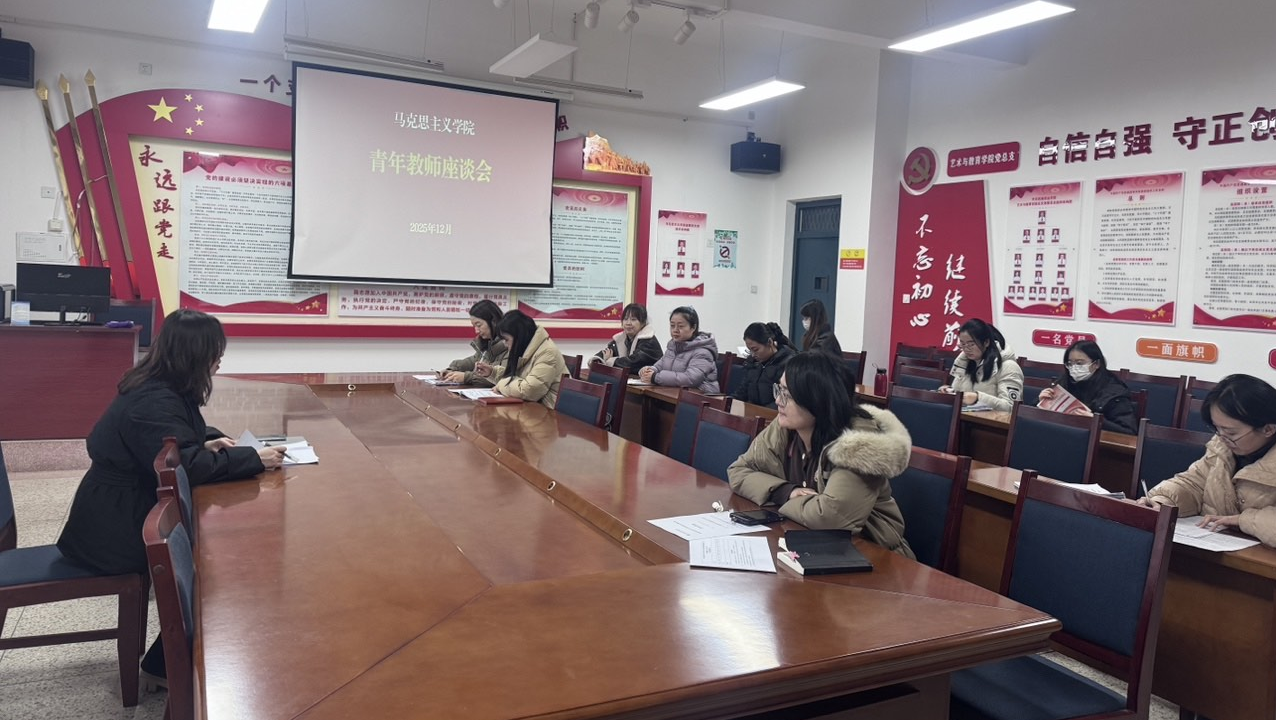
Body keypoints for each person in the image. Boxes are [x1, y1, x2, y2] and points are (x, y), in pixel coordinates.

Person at [56, 309, 286, 684]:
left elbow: (175, 440)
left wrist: (209, 440)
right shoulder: (152, 400)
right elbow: (184, 466)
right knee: (218, 569)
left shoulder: (160, 387)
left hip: (123, 510)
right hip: (113, 530)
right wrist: (252, 459)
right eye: (214, 352)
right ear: (193, 355)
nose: (219, 360)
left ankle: (172, 660)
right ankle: (169, 666)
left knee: (218, 560)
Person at [727, 352, 914, 558]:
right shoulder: (785, 427)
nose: (778, 400)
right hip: (815, 546)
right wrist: (786, 492)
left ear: (817, 400)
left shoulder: (859, 444)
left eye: (788, 394)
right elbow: (738, 471)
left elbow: (829, 517)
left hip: (876, 556)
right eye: (779, 389)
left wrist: (774, 498)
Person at [1140, 374, 1275, 548]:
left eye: (1231, 433)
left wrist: (1244, 521)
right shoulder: (1222, 447)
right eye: (1217, 429)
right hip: (1215, 549)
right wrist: (1162, 502)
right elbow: (1194, 483)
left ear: (1268, 429)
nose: (1222, 438)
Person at [1037, 340, 1138, 434]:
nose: (1074, 368)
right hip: (1061, 434)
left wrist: (1095, 421)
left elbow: (1128, 431)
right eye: (1070, 363)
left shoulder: (1114, 392)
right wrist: (1041, 402)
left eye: (1079, 363)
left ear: (1096, 364)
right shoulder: (1064, 381)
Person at [483, 309, 567, 408]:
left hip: (550, 411)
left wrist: (501, 385)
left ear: (519, 336)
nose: (505, 344)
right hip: (533, 407)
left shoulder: (547, 352)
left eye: (506, 339)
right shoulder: (527, 347)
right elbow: (518, 378)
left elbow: (530, 391)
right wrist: (493, 372)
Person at [938, 318, 1023, 412]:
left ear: (986, 342)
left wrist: (978, 398)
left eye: (971, 344)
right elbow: (959, 393)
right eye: (962, 344)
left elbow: (1012, 408)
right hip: (963, 417)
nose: (966, 349)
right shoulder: (965, 362)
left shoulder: (1008, 367)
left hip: (990, 420)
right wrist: (949, 391)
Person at [638, 306, 719, 393]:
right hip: (676, 393)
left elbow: (691, 379)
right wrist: (649, 370)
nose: (675, 330)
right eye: (672, 326)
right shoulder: (673, 346)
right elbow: (660, 365)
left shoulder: (703, 352)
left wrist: (655, 377)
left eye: (680, 326)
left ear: (693, 327)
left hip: (701, 396)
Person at [441, 299, 508, 386]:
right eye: (474, 326)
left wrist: (466, 377)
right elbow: (473, 361)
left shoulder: (510, 344)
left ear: (494, 321)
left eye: (479, 325)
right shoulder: (488, 343)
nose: (476, 331)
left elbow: (503, 377)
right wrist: (452, 369)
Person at [733, 322, 797, 408]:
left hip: (775, 413)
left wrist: (760, 411)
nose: (753, 355)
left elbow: (787, 399)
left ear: (769, 342)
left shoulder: (788, 363)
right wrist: (729, 401)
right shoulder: (753, 363)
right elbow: (742, 392)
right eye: (750, 350)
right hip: (753, 411)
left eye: (755, 349)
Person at [590, 302, 662, 371]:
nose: (628, 323)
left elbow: (633, 362)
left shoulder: (648, 340)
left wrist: (610, 361)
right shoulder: (622, 338)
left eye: (633, 319)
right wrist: (597, 360)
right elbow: (608, 352)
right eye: (625, 319)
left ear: (643, 323)